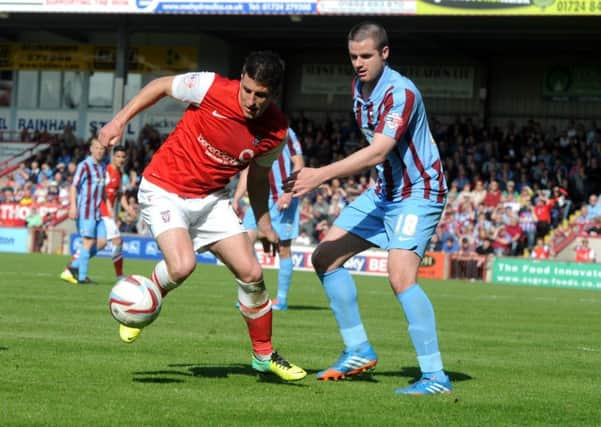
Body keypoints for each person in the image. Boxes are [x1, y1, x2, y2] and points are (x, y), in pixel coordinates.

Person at [98, 51, 306, 381]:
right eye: (248, 90)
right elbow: (161, 85)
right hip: (164, 188)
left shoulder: (276, 131)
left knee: (252, 272)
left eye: (261, 95)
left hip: (212, 200)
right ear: (241, 78)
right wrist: (118, 122)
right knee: (182, 265)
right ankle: (144, 302)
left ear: (274, 94)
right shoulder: (210, 87)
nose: (251, 101)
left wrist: (264, 224)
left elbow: (255, 178)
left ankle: (263, 355)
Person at [286, 22, 451, 394]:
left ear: (385, 53)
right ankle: (358, 349)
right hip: (384, 193)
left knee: (400, 276)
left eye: (366, 56)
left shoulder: (401, 92)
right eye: (353, 57)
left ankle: (435, 376)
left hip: (419, 192)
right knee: (324, 257)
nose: (358, 63)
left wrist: (320, 175)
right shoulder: (359, 89)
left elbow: (379, 150)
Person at [232, 127, 305, 311]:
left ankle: (281, 299)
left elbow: (299, 163)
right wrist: (236, 199)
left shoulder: (286, 132)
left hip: (282, 198)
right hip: (259, 199)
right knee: (244, 244)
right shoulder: (249, 134)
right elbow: (246, 171)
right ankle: (255, 296)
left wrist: (289, 193)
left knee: (283, 249)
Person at [60, 138, 107, 284]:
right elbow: (74, 186)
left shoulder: (102, 167)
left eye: (102, 148)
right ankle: (82, 277)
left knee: (102, 242)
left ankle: (73, 266)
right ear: (91, 149)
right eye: (97, 148)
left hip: (98, 212)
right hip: (86, 211)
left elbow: (102, 190)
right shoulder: (84, 166)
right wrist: (73, 206)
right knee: (88, 242)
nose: (99, 151)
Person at [100, 146, 127, 279]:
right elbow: (102, 192)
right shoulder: (107, 171)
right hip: (102, 211)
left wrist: (128, 209)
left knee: (99, 243)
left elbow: (120, 195)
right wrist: (110, 208)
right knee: (117, 241)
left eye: (123, 157)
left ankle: (72, 266)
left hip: (106, 212)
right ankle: (119, 275)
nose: (121, 159)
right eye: (118, 156)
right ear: (113, 156)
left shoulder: (120, 174)